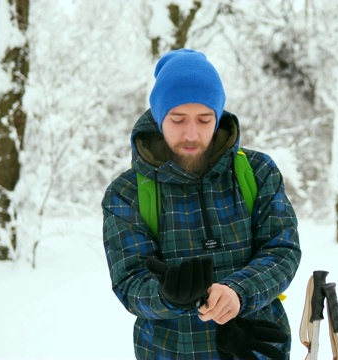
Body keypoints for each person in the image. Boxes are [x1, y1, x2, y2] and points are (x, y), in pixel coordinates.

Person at [102, 48, 301, 359]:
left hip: (255, 349)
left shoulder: (258, 172)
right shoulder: (126, 193)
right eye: (178, 119)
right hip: (169, 351)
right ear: (158, 118)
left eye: (205, 119)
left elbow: (282, 249)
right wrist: (166, 296)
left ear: (218, 116)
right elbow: (129, 282)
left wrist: (238, 292)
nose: (191, 133)